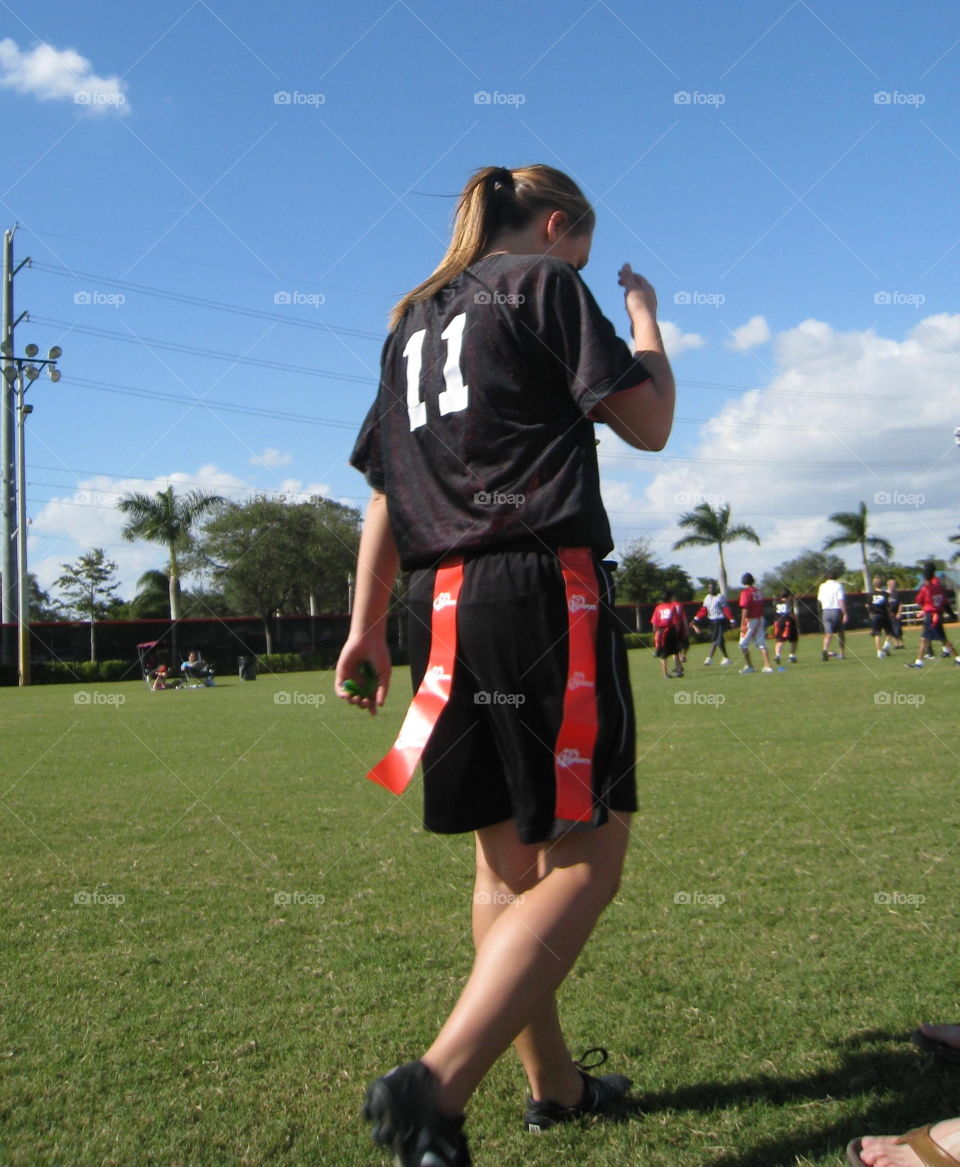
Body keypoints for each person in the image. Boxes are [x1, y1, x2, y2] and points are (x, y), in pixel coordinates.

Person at [335, 163, 675, 1167]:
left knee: (506, 861)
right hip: (540, 590)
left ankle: (555, 1086)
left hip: (437, 606)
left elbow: (388, 493)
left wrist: (362, 627)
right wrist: (646, 319)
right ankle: (434, 1087)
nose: (578, 261)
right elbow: (649, 422)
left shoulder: (410, 323)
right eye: (578, 244)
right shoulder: (543, 285)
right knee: (589, 856)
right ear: (558, 226)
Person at [905, 561, 960, 669]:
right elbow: (944, 602)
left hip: (931, 616)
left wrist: (924, 608)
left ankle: (958, 659)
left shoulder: (926, 589)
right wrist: (951, 614)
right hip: (937, 615)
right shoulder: (937, 588)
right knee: (925, 639)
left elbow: (919, 600)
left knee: (942, 639)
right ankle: (919, 662)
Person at [690, 580, 734, 666]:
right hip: (712, 621)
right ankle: (726, 658)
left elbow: (725, 609)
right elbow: (703, 610)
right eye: (709, 587)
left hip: (720, 620)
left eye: (712, 587)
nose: (711, 589)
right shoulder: (707, 598)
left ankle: (709, 658)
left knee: (716, 639)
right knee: (719, 640)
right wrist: (695, 620)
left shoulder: (720, 597)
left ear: (716, 588)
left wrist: (732, 620)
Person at [737, 572, 773, 674]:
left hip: (750, 620)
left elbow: (745, 608)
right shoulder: (758, 591)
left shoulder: (745, 593)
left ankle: (749, 666)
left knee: (742, 644)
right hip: (760, 618)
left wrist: (742, 622)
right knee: (762, 644)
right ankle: (767, 666)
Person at [651, 591, 683, 678]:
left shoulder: (658, 608)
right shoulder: (673, 607)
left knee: (663, 654)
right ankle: (678, 671)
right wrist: (678, 633)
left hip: (661, 631)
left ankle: (665, 674)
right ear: (670, 598)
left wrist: (655, 633)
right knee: (675, 652)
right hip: (670, 630)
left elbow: (654, 623)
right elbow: (676, 622)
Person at [817, 569, 847, 661]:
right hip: (836, 610)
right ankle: (842, 653)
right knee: (840, 632)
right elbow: (840, 600)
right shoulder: (838, 586)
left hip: (825, 611)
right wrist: (845, 613)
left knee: (828, 633)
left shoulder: (822, 586)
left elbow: (820, 599)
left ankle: (825, 649)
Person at [868, 575, 894, 659]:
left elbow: (867, 605)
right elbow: (888, 606)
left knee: (877, 634)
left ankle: (879, 652)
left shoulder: (870, 594)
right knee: (890, 632)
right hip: (884, 615)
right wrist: (890, 613)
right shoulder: (886, 594)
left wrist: (870, 613)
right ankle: (886, 645)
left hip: (875, 615)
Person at [772, 589, 798, 666]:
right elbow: (791, 613)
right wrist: (796, 620)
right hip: (788, 622)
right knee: (794, 640)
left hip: (778, 622)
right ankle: (792, 656)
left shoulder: (777, 601)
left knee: (779, 640)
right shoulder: (789, 601)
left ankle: (777, 655)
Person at [886, 578, 905, 650]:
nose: (894, 585)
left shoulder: (897, 593)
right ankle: (896, 644)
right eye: (892, 584)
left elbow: (900, 604)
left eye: (894, 584)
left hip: (896, 614)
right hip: (889, 615)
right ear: (889, 584)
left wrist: (899, 613)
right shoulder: (885, 594)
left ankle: (901, 643)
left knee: (898, 629)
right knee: (891, 630)